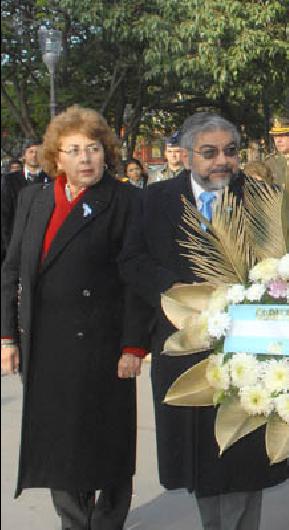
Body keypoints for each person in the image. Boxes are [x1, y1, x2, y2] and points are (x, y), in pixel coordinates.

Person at [120, 112, 289, 530]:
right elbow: (131, 261)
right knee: (203, 464)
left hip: (250, 351)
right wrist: (182, 295)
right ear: (188, 155)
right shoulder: (155, 200)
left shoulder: (263, 197)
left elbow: (288, 263)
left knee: (245, 459)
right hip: (184, 349)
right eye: (209, 152)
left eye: (230, 151)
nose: (222, 162)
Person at [0, 105, 149, 529]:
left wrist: (134, 344)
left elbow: (136, 281)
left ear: (107, 153)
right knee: (57, 441)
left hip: (104, 344)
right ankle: (73, 520)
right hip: (46, 344)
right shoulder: (34, 198)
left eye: (94, 148)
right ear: (56, 157)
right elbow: (11, 270)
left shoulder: (124, 201)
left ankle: (107, 520)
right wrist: (7, 337)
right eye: (74, 150)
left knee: (108, 443)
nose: (86, 158)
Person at [1, 139, 51, 262]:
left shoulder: (51, 180)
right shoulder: (10, 180)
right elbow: (5, 214)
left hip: (43, 243)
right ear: (24, 155)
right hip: (15, 240)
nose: (34, 155)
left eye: (38, 151)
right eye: (31, 151)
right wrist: (9, 247)